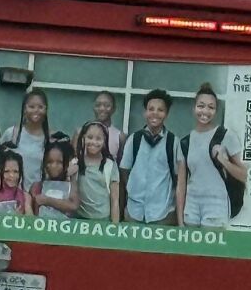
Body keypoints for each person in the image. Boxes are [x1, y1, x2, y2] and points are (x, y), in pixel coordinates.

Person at [177, 83, 248, 229]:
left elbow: (245, 175)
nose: (205, 111)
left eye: (211, 107)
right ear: (194, 108)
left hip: (216, 204)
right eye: (201, 106)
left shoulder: (226, 136)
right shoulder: (185, 142)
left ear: (216, 111)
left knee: (212, 244)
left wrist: (224, 161)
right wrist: (179, 221)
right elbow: (181, 184)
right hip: (191, 205)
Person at [120, 90, 182, 225]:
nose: (155, 113)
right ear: (145, 112)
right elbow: (124, 170)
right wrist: (133, 189)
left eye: (160, 110)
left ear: (166, 114)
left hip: (163, 213)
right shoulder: (134, 139)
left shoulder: (173, 142)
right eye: (151, 109)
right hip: (134, 212)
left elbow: (178, 177)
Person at [1, 88, 67, 192]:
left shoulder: (53, 138)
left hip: (41, 195)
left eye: (40, 107)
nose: (36, 110)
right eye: (31, 107)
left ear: (46, 110)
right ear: (24, 109)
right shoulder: (12, 134)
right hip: (14, 194)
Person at [74, 121, 119, 222]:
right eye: (90, 137)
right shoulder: (76, 163)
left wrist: (115, 225)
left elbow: (115, 199)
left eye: (98, 139)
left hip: (103, 219)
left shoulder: (109, 165)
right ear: (83, 138)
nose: (93, 142)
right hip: (79, 218)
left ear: (104, 141)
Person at [72, 91, 125, 163]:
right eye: (98, 105)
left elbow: (120, 164)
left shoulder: (119, 136)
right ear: (93, 108)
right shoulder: (80, 132)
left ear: (114, 108)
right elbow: (72, 160)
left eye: (107, 105)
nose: (102, 108)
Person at [31, 141, 80, 217]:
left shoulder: (71, 186)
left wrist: (47, 200)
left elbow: (73, 206)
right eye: (49, 162)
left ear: (65, 164)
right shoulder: (37, 186)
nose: (54, 166)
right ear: (44, 164)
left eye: (59, 162)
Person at [0, 149, 33, 214]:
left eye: (15, 171)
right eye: (7, 171)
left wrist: (19, 217)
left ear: (20, 173)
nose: (12, 175)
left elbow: (30, 219)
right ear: (0, 172)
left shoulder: (26, 196)